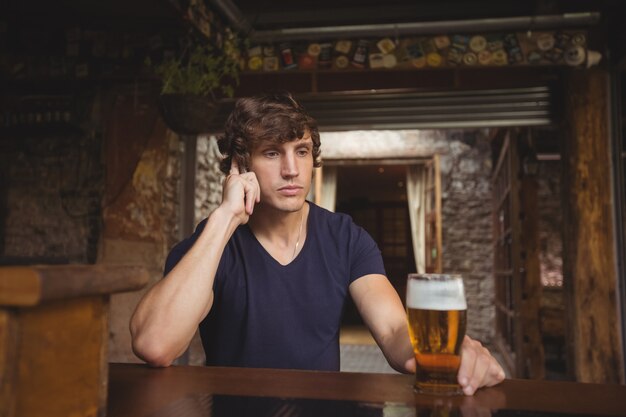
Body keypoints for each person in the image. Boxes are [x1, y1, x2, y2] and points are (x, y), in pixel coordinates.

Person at [130, 92, 505, 395]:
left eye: (302, 151)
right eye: (272, 152)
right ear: (241, 166)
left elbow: (393, 331)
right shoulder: (211, 245)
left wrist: (444, 354)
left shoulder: (346, 238)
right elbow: (155, 344)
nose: (292, 169)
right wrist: (226, 217)